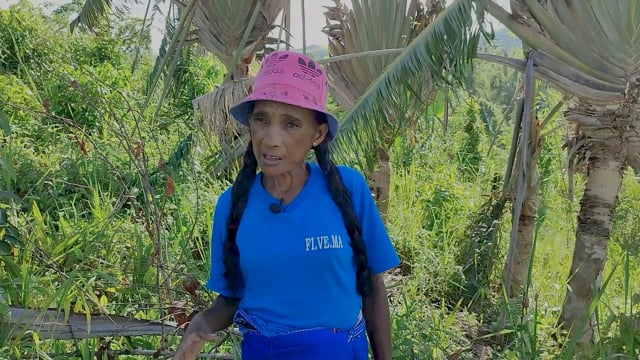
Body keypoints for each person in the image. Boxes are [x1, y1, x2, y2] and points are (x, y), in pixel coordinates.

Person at [174, 50, 400, 360]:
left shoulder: (347, 190)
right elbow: (231, 300)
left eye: (291, 124)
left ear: (317, 134)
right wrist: (201, 322)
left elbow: (372, 284)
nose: (270, 139)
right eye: (261, 120)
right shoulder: (232, 206)